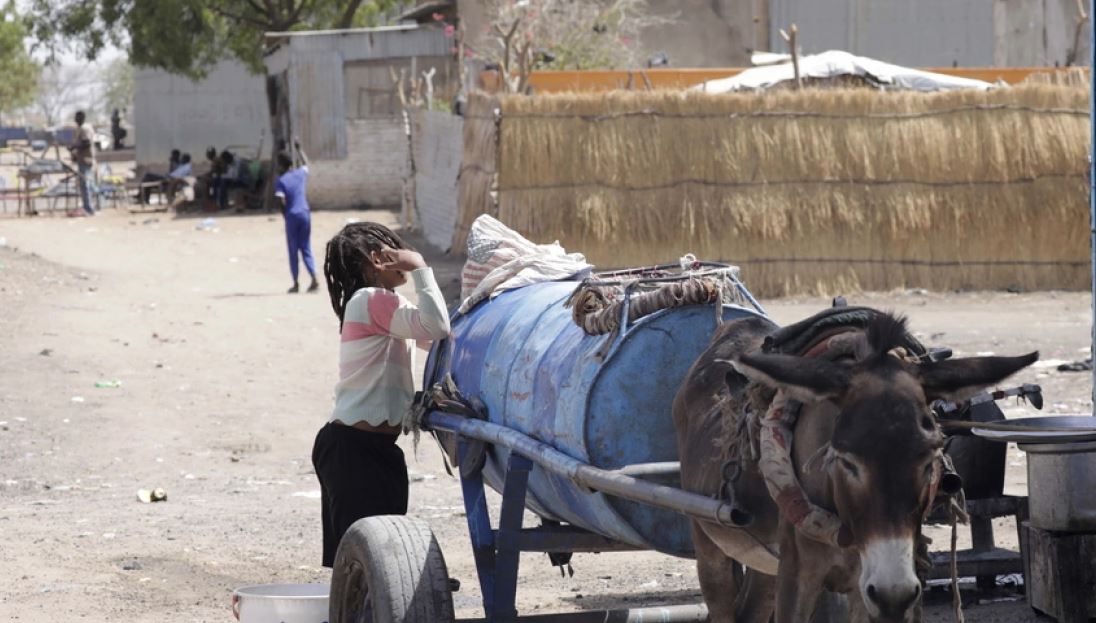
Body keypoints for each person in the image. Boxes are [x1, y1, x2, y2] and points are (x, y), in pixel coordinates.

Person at [312, 222, 450, 568]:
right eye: (394, 250)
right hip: (353, 451)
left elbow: (436, 339)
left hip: (376, 450)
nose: (401, 255)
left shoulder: (385, 305)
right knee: (363, 563)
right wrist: (419, 266)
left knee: (384, 560)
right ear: (376, 260)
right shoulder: (370, 300)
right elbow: (438, 328)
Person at [275, 140, 319, 293]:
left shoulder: (281, 181)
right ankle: (314, 277)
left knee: (293, 250)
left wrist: (285, 215)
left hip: (292, 216)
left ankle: (296, 283)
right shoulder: (300, 174)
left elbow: (281, 200)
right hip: (305, 213)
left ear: (281, 165)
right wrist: (299, 149)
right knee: (306, 247)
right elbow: (306, 163)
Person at [70, 110, 98, 216]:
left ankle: (89, 208)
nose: (76, 120)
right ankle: (90, 207)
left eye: (78, 117)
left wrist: (75, 147)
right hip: (83, 159)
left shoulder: (85, 128)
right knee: (86, 184)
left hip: (86, 159)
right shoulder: (81, 128)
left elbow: (86, 143)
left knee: (85, 185)